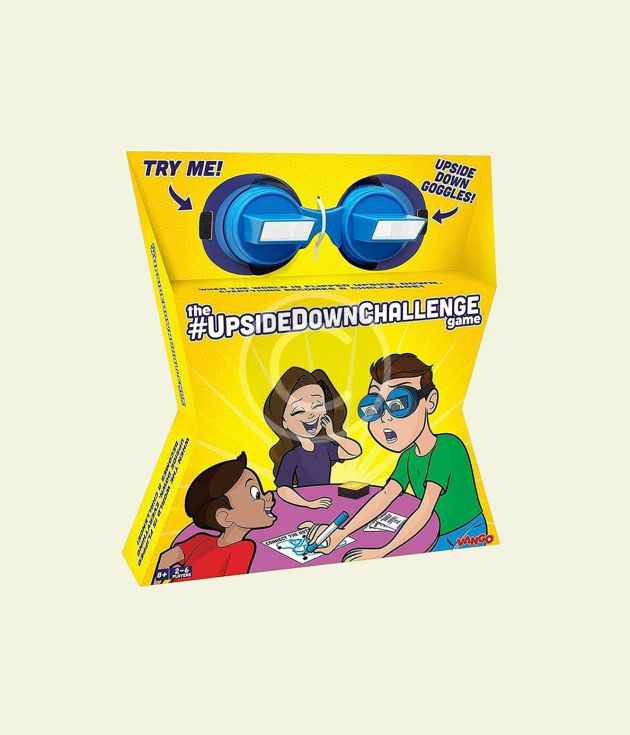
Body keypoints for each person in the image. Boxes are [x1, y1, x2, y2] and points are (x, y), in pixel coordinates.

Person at [304, 353, 487, 560]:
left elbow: (424, 510)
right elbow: (386, 495)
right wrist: (340, 534)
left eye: (399, 403)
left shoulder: (447, 447)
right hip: (435, 531)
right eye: (374, 405)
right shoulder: (408, 456)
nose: (385, 417)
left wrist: (382, 551)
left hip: (464, 533)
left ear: (430, 401)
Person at [152, 452, 276, 583]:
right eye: (256, 494)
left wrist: (183, 575)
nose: (268, 496)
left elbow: (166, 559)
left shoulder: (200, 540)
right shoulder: (242, 549)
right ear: (225, 517)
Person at [263, 367, 362, 509]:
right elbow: (283, 489)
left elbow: (355, 451)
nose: (311, 415)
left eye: (317, 406)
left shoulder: (324, 448)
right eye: (299, 410)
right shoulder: (292, 456)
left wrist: (333, 435)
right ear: (284, 422)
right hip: (302, 505)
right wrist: (309, 504)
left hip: (325, 502)